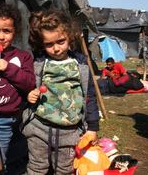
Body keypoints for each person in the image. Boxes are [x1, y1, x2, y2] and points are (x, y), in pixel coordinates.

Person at [22, 10, 100, 174]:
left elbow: (90, 97)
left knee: (64, 169)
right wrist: (29, 94)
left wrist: (93, 127)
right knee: (37, 167)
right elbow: (28, 84)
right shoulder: (39, 62)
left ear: (69, 36)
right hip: (39, 127)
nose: (56, 48)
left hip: (69, 131)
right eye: (49, 44)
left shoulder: (81, 64)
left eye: (61, 41)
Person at [0, 1, 35, 165]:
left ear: (14, 32)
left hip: (5, 119)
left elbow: (29, 83)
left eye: (7, 31)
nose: (1, 36)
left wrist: (9, 68)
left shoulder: (22, 57)